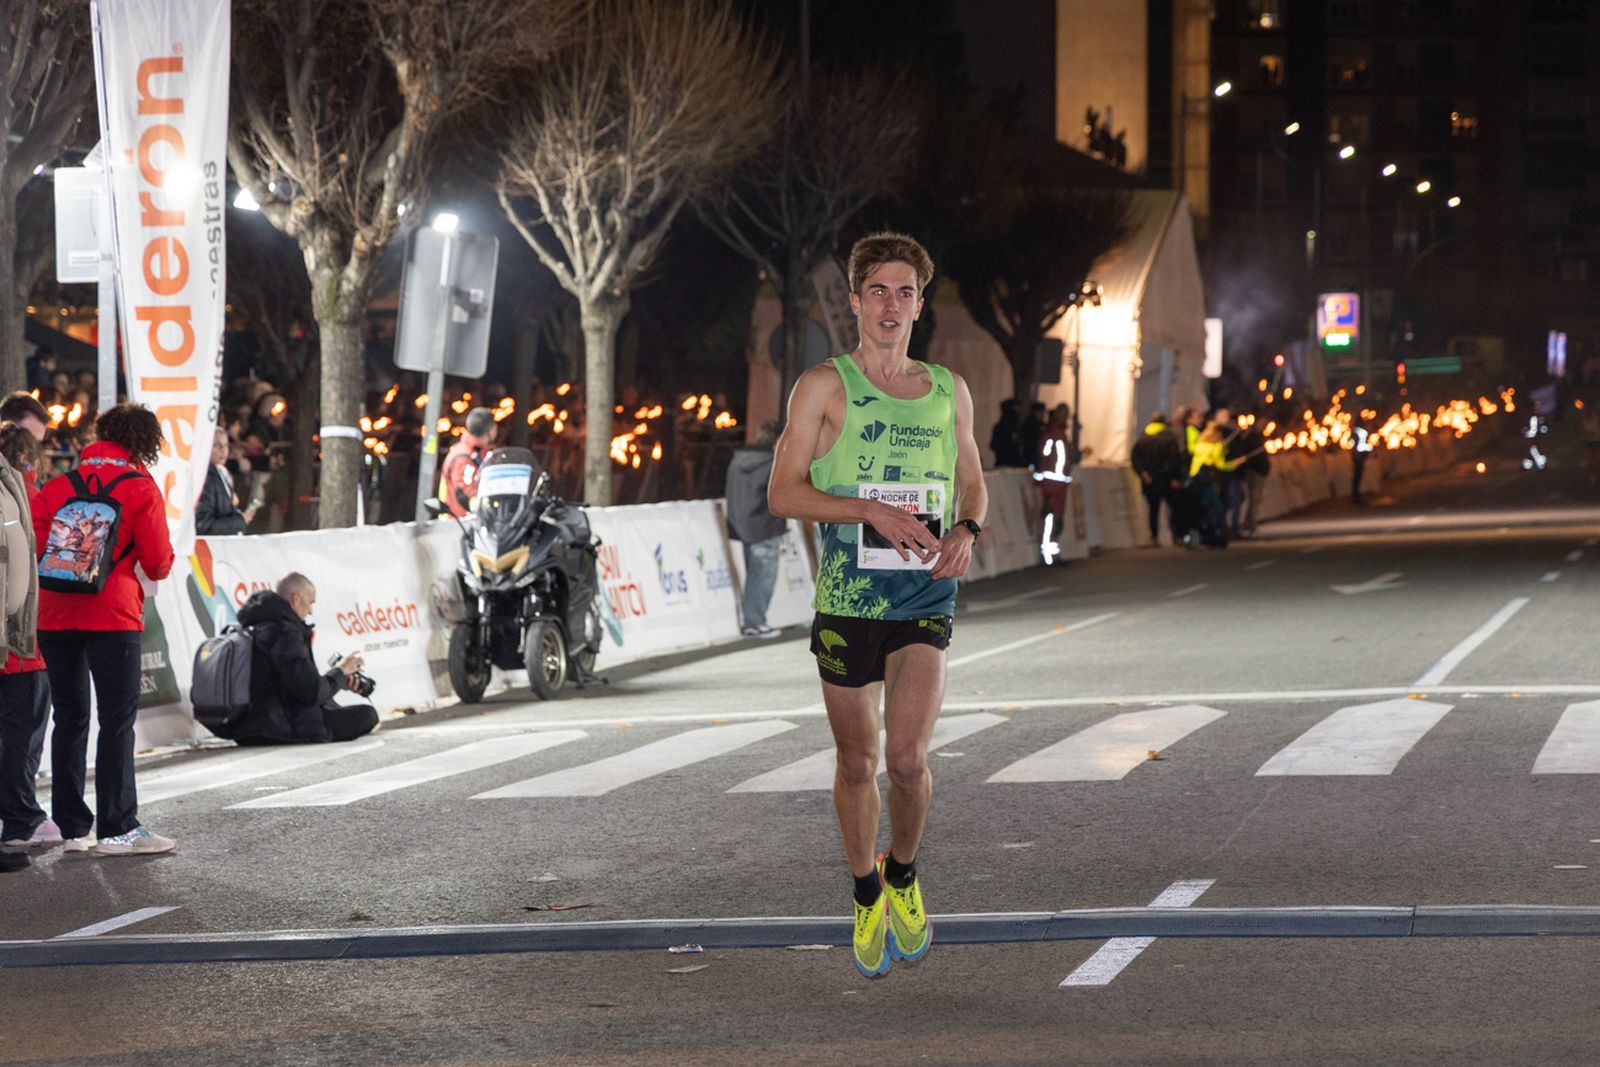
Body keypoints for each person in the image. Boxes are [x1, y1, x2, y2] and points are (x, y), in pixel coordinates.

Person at [768, 232, 987, 980]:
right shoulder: (823, 387)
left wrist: (967, 528)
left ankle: (903, 871)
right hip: (849, 597)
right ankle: (865, 889)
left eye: (906, 293)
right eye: (879, 291)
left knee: (907, 758)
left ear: (921, 306)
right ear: (855, 302)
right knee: (858, 762)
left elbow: (973, 481)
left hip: (923, 593)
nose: (892, 305)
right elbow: (783, 493)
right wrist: (866, 509)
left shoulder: (949, 389)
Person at [32, 404, 176, 856]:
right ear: (141, 443)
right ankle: (118, 828)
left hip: (55, 612)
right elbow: (158, 561)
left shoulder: (58, 485)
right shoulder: (139, 487)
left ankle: (71, 826)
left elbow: (36, 544)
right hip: (113, 614)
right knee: (116, 721)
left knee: (69, 718)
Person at [226, 573, 379, 745]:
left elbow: (295, 684)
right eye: (311, 602)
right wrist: (341, 671)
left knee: (332, 706)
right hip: (280, 728)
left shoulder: (253, 629)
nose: (311, 611)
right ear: (296, 599)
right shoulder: (284, 632)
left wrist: (340, 679)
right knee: (368, 714)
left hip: (246, 730)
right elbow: (310, 693)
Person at [0, 423, 57, 860]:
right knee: (23, 732)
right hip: (26, 641)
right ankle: (22, 816)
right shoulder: (32, 497)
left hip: (18, 637)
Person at [724, 421, 786, 639]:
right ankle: (755, 622)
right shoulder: (772, 463)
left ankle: (753, 621)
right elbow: (778, 496)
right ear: (778, 440)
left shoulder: (738, 459)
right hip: (764, 525)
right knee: (763, 576)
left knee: (755, 574)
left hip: (742, 525)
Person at [1130, 411, 1183, 545]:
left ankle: (1154, 536)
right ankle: (1177, 535)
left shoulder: (1143, 437)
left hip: (1150, 480)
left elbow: (1135, 458)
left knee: (1153, 509)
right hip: (1166, 479)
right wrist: (1174, 477)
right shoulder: (1169, 438)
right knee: (1173, 507)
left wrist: (1143, 473)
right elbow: (1174, 459)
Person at [195, 428, 260, 535]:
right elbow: (203, 526)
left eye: (226, 445)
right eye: (216, 445)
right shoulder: (205, 478)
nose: (223, 450)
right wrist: (240, 521)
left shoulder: (221, 472)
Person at [438, 407, 497, 518]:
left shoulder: (476, 451)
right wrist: (485, 509)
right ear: (491, 430)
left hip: (471, 521)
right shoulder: (464, 458)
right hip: (458, 523)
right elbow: (466, 492)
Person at [1034, 403, 1072, 561]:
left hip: (1058, 483)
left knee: (1056, 519)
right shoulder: (1052, 436)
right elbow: (1044, 457)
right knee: (1050, 518)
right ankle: (1049, 554)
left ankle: (1053, 553)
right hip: (1052, 484)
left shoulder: (1059, 434)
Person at [988, 398, 1024, 467]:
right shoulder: (1000, 428)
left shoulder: (1018, 428)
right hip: (1003, 465)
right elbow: (994, 445)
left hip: (1016, 465)